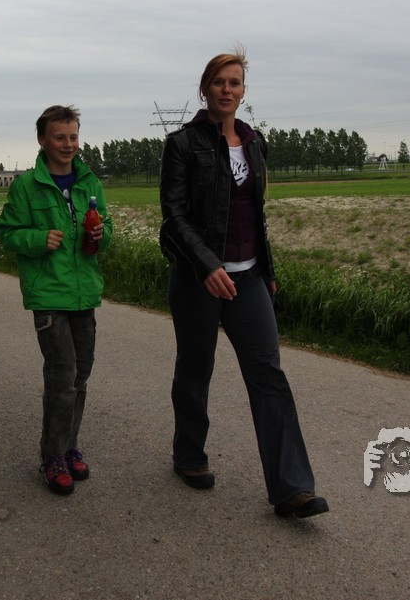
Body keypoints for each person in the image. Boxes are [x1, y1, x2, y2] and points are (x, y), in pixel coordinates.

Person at [158, 47, 329, 519]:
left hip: (248, 277)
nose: (227, 90)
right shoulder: (182, 144)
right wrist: (207, 265)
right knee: (196, 369)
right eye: (219, 82)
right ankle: (189, 455)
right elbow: (174, 216)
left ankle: (292, 488)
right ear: (205, 89)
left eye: (234, 83)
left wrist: (267, 273)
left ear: (243, 90)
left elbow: (256, 215)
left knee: (269, 374)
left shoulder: (254, 142)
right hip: (198, 279)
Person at [0, 105, 112, 495]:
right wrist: (37, 238)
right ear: (42, 140)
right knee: (62, 376)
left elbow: (107, 226)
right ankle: (53, 456)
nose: (68, 144)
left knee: (81, 376)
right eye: (59, 137)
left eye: (73, 136)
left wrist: (102, 236)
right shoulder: (27, 186)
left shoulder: (90, 183)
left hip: (84, 293)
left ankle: (69, 445)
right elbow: (6, 233)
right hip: (48, 295)